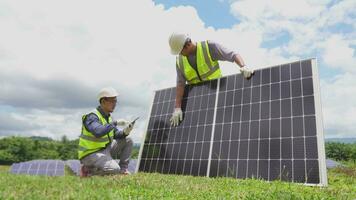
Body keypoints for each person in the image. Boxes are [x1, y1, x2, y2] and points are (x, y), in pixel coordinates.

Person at [168, 33, 254, 126]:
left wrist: (243, 66)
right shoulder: (179, 61)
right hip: (199, 105)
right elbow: (180, 84)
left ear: (187, 45)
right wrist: (177, 107)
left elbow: (232, 55)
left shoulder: (208, 47)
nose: (180, 54)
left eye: (180, 51)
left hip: (219, 98)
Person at [78, 87, 134, 176]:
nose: (115, 104)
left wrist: (125, 132)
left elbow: (115, 134)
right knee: (114, 169)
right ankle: (87, 170)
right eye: (112, 101)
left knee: (128, 139)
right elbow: (98, 132)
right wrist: (115, 123)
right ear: (103, 101)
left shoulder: (108, 117)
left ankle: (123, 170)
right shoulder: (92, 117)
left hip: (105, 150)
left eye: (115, 101)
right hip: (90, 154)